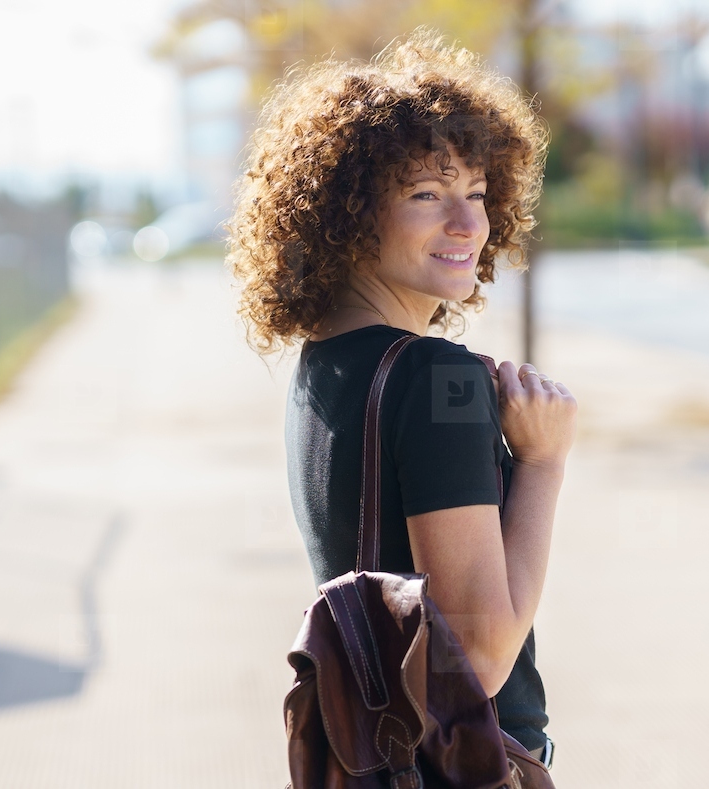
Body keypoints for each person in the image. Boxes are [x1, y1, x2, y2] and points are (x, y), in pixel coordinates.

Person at [225, 28, 577, 765]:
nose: (468, 223)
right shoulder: (438, 376)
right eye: (426, 194)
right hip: (467, 764)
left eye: (476, 193)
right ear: (348, 215)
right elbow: (476, 660)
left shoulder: (323, 365)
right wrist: (543, 462)